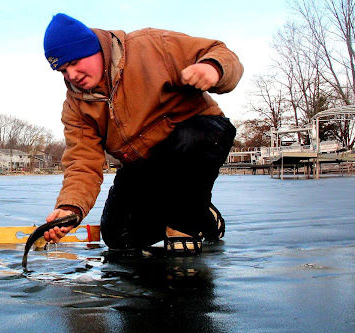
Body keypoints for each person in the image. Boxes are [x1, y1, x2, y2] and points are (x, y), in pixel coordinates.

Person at [42, 13, 242, 255]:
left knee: (194, 139)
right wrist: (70, 208)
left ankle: (186, 221)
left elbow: (220, 52)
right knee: (119, 236)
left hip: (196, 136)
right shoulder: (76, 107)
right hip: (144, 164)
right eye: (62, 70)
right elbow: (82, 161)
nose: (71, 75)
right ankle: (202, 213)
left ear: (95, 48)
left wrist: (213, 68)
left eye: (74, 62)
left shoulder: (150, 46)